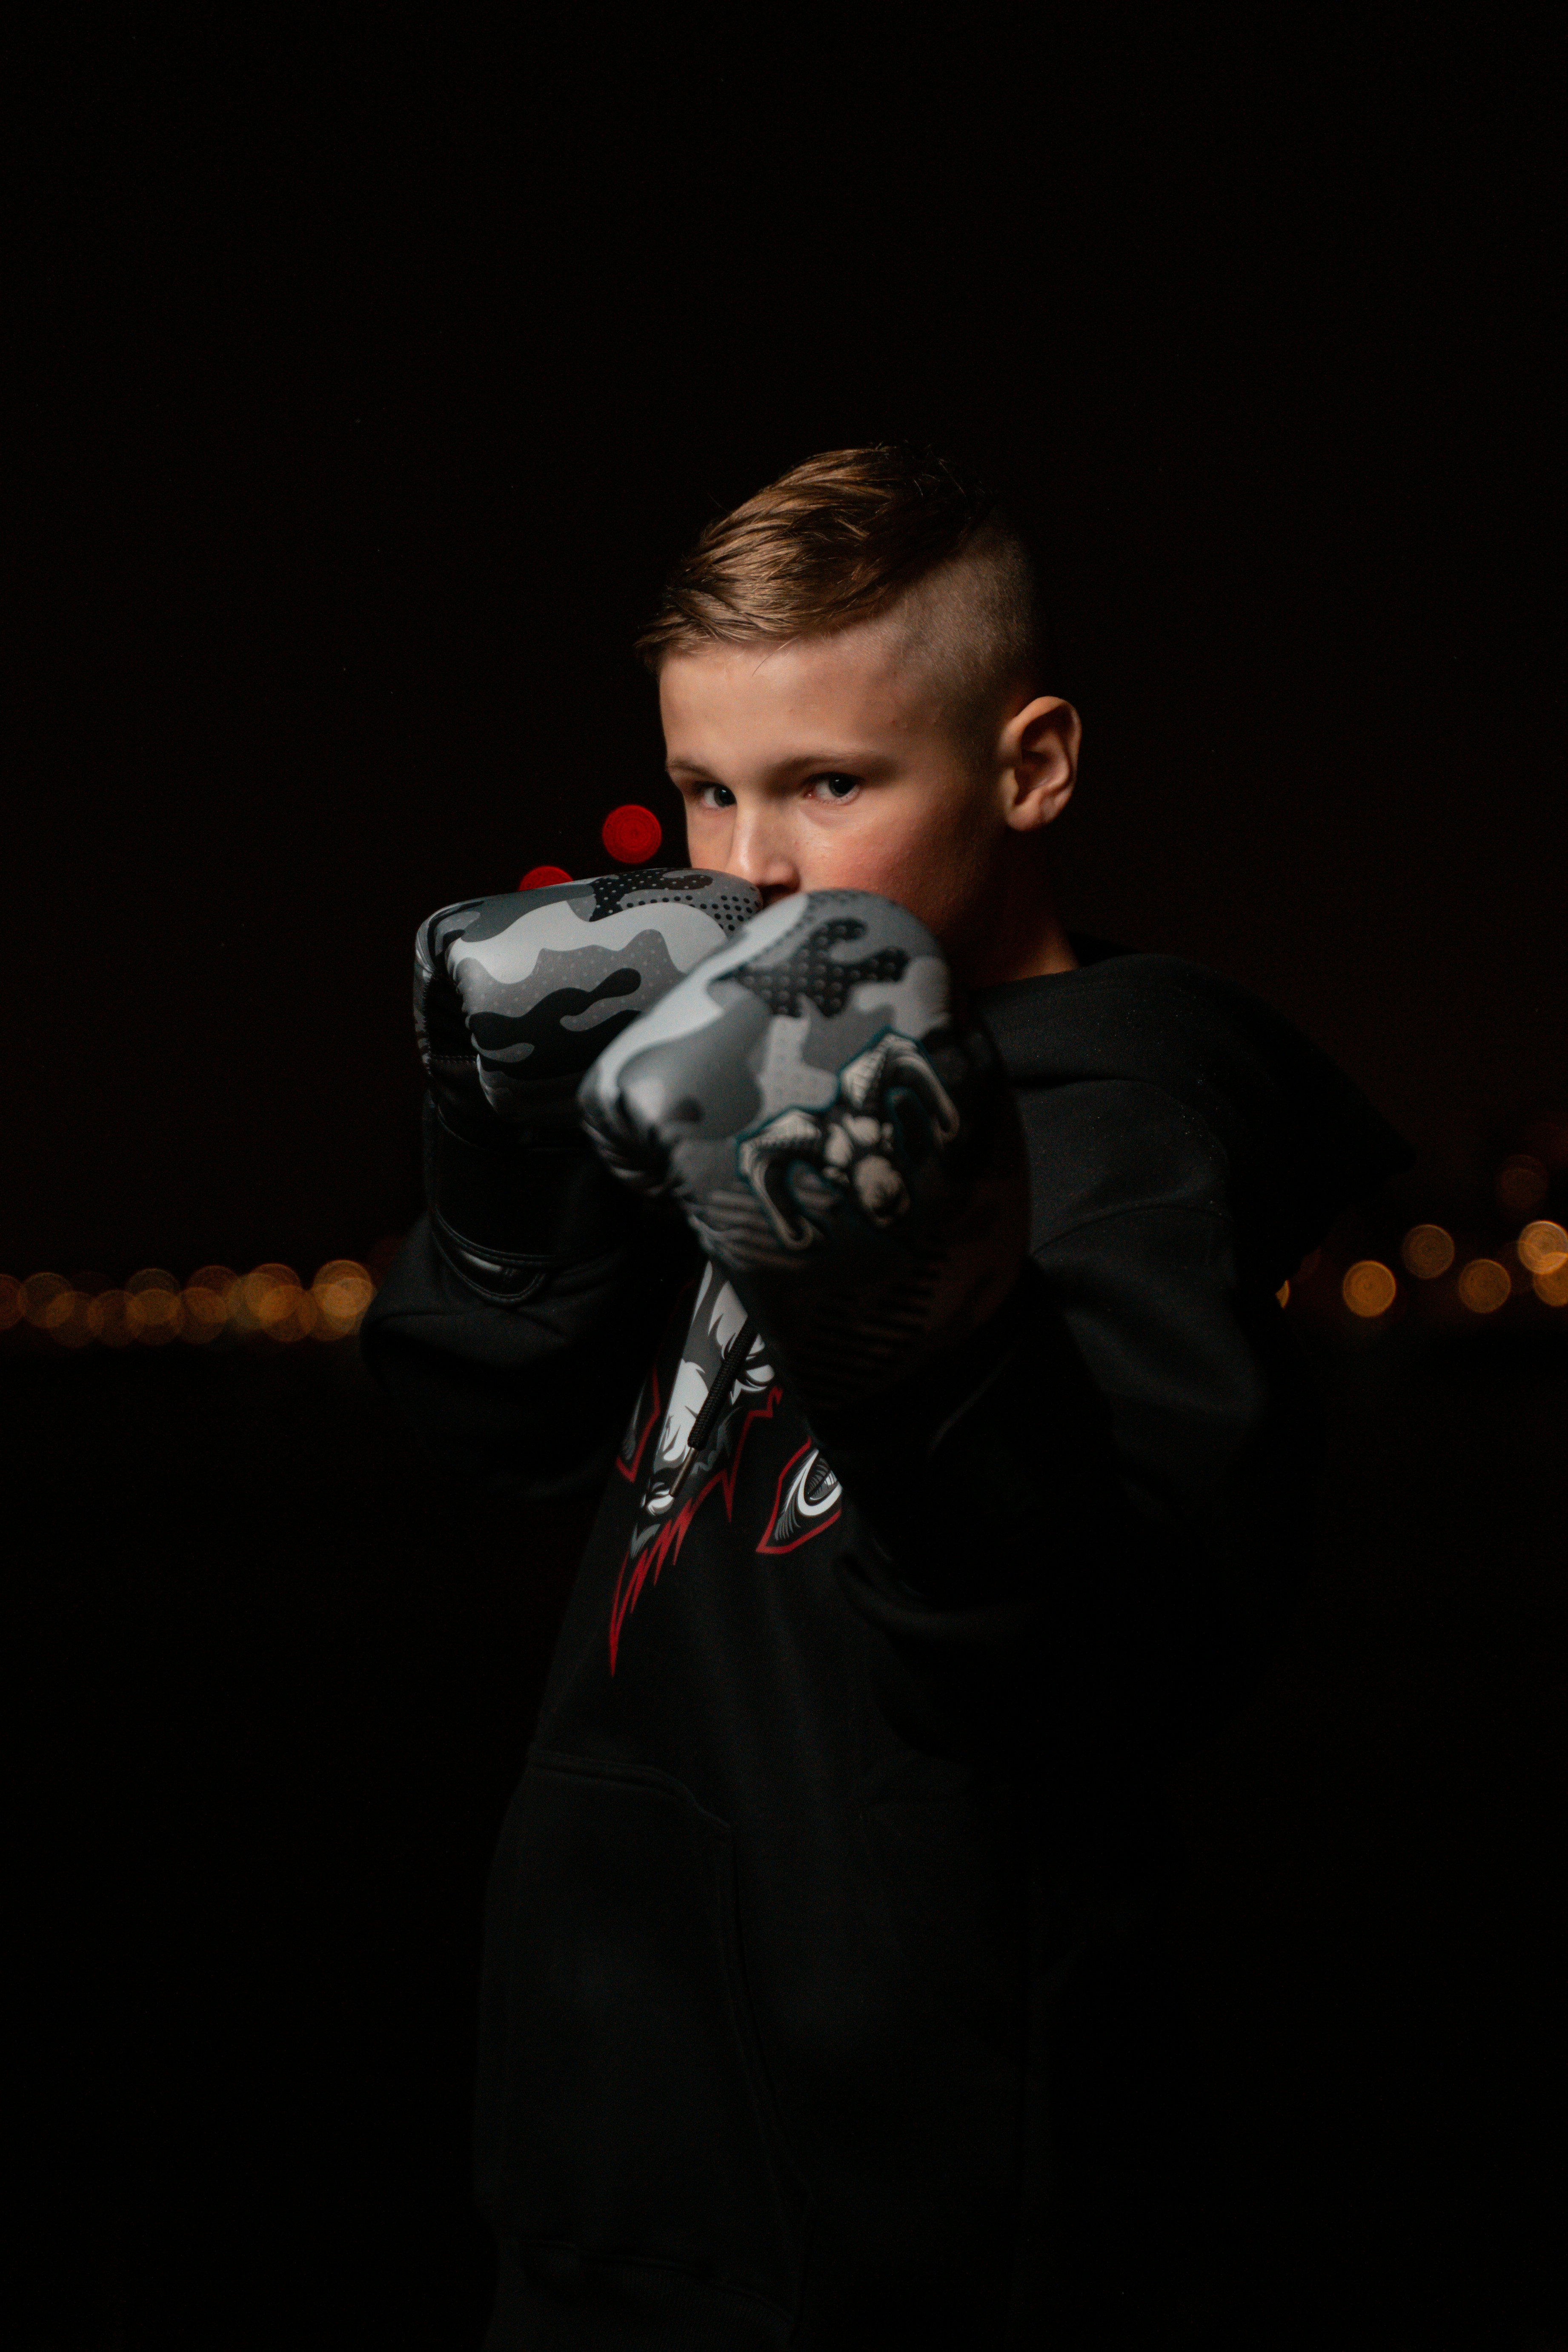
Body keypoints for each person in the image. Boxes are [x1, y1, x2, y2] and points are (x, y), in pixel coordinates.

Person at [360, 444, 1411, 2349]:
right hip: (602, 2144)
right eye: (707, 787)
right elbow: (486, 1429)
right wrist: (497, 1170)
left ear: (1034, 765)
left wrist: (931, 1342)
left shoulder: (1130, 1149)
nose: (749, 867)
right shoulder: (732, 1058)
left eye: (831, 783)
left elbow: (1123, 1668)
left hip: (898, 2215)